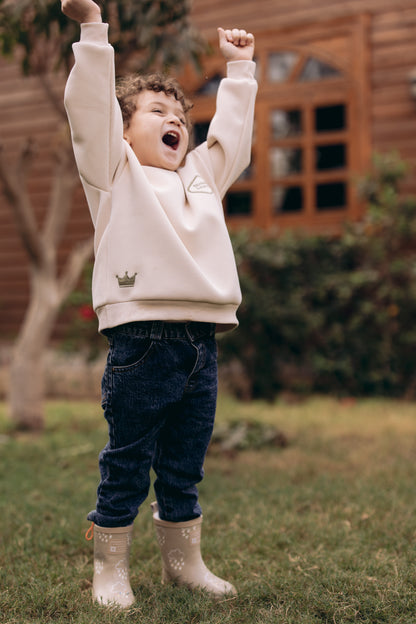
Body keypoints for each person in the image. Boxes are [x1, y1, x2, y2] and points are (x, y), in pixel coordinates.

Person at [61, 0, 257, 608]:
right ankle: (110, 570)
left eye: (180, 115)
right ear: (123, 130)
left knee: (183, 462)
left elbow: (234, 141)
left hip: (201, 343)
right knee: (127, 460)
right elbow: (90, 113)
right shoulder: (114, 172)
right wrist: (94, 31)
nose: (175, 120)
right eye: (156, 111)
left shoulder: (200, 175)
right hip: (141, 342)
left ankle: (184, 563)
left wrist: (241, 70)